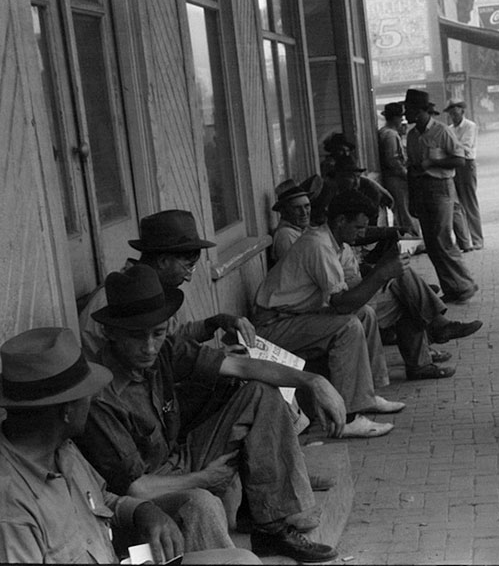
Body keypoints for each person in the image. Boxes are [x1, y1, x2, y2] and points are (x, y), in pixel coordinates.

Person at [77, 265, 345, 562]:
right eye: (137, 337)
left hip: (176, 458)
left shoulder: (163, 350)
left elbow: (243, 366)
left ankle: (272, 529)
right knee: (200, 502)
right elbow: (136, 489)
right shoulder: (100, 397)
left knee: (259, 393)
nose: (150, 347)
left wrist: (313, 381)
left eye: (158, 332)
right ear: (110, 332)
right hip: (142, 500)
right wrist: (205, 478)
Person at [0, 327, 260, 565]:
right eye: (85, 394)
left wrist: (141, 511)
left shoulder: (61, 448)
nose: (92, 399)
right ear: (66, 411)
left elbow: (100, 499)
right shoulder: (11, 510)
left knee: (242, 560)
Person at [256, 190, 479, 384]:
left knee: (401, 292)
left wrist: (383, 270)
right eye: (358, 227)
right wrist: (381, 274)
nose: (362, 233)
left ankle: (419, 360)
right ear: (341, 220)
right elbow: (342, 304)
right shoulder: (311, 242)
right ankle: (434, 328)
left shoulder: (336, 243)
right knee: (373, 307)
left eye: (307, 207)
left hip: (308, 310)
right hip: (281, 321)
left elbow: (351, 282)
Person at [78, 210, 256, 362]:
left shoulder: (153, 291)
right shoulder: (116, 300)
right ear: (163, 261)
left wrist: (216, 322)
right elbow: (144, 360)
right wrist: (212, 359)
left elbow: (172, 338)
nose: (188, 278)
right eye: (188, 266)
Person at [404, 88, 478, 303]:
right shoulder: (412, 136)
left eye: (408, 110)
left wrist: (434, 163)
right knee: (432, 243)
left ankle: (465, 284)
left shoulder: (442, 131)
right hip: (421, 189)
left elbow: (460, 160)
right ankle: (452, 288)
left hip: (441, 188)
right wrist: (411, 199)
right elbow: (411, 168)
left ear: (419, 111)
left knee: (442, 239)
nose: (406, 114)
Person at [445, 99, 484, 252]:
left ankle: (477, 239)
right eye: (451, 114)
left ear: (462, 111)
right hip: (454, 165)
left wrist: (450, 147)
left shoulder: (470, 126)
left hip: (467, 165)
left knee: (470, 202)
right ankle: (464, 241)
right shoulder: (449, 129)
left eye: (455, 113)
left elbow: (466, 147)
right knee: (456, 204)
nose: (453, 116)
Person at [378, 102, 420, 236]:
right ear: (395, 118)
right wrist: (406, 175)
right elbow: (393, 160)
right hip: (396, 179)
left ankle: (407, 239)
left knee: (401, 211)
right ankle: (413, 239)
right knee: (405, 211)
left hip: (393, 177)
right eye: (400, 117)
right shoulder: (390, 134)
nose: (402, 120)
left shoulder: (385, 132)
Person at [271, 182, 311, 263]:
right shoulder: (286, 235)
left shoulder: (300, 230)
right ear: (284, 211)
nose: (304, 212)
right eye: (297, 208)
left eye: (307, 206)